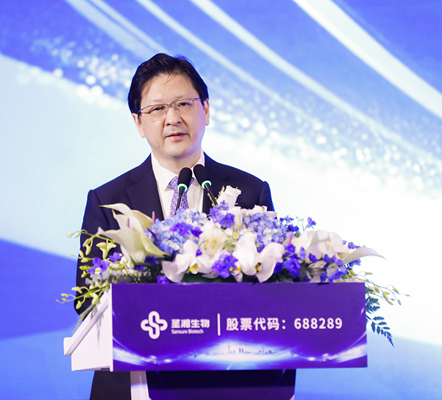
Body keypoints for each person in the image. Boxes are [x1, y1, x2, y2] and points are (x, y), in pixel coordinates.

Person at [76, 53, 285, 399]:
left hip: (228, 383)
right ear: (139, 123)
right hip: (134, 385)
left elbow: (274, 291)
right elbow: (87, 300)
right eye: (157, 109)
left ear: (206, 110)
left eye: (184, 104)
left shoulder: (250, 191)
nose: (172, 118)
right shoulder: (108, 200)